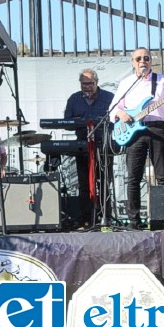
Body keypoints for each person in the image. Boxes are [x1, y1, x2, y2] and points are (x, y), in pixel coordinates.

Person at [109, 47, 164, 230]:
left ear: (151, 61)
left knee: (162, 176)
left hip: (158, 128)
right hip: (135, 131)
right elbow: (113, 108)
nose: (143, 61)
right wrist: (121, 113)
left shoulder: (163, 80)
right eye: (139, 58)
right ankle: (134, 221)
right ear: (133, 62)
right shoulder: (127, 83)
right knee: (133, 177)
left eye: (146, 58)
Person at [64, 69, 114, 228]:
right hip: (82, 147)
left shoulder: (108, 97)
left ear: (96, 82)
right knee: (84, 184)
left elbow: (116, 120)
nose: (87, 87)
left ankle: (106, 218)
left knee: (105, 183)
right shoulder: (74, 99)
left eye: (90, 84)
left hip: (103, 145)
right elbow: (67, 123)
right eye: (84, 84)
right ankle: (86, 219)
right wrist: (80, 121)